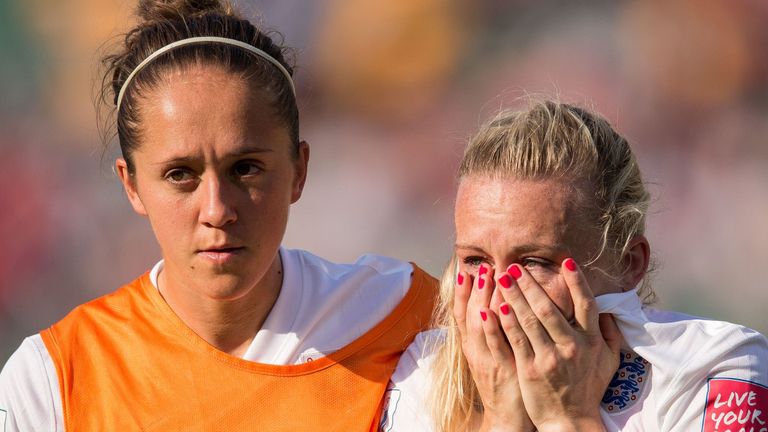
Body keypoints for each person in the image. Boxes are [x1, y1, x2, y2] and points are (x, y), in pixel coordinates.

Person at [0, 1, 437, 431]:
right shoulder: (54, 381)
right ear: (130, 185)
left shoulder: (402, 317)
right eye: (179, 175)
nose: (217, 210)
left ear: (298, 171)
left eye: (244, 168)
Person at [382, 100, 768, 431]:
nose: (499, 292)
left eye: (533, 263)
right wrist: (502, 419)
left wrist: (567, 417)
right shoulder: (425, 371)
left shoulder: (715, 365)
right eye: (475, 261)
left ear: (629, 263)